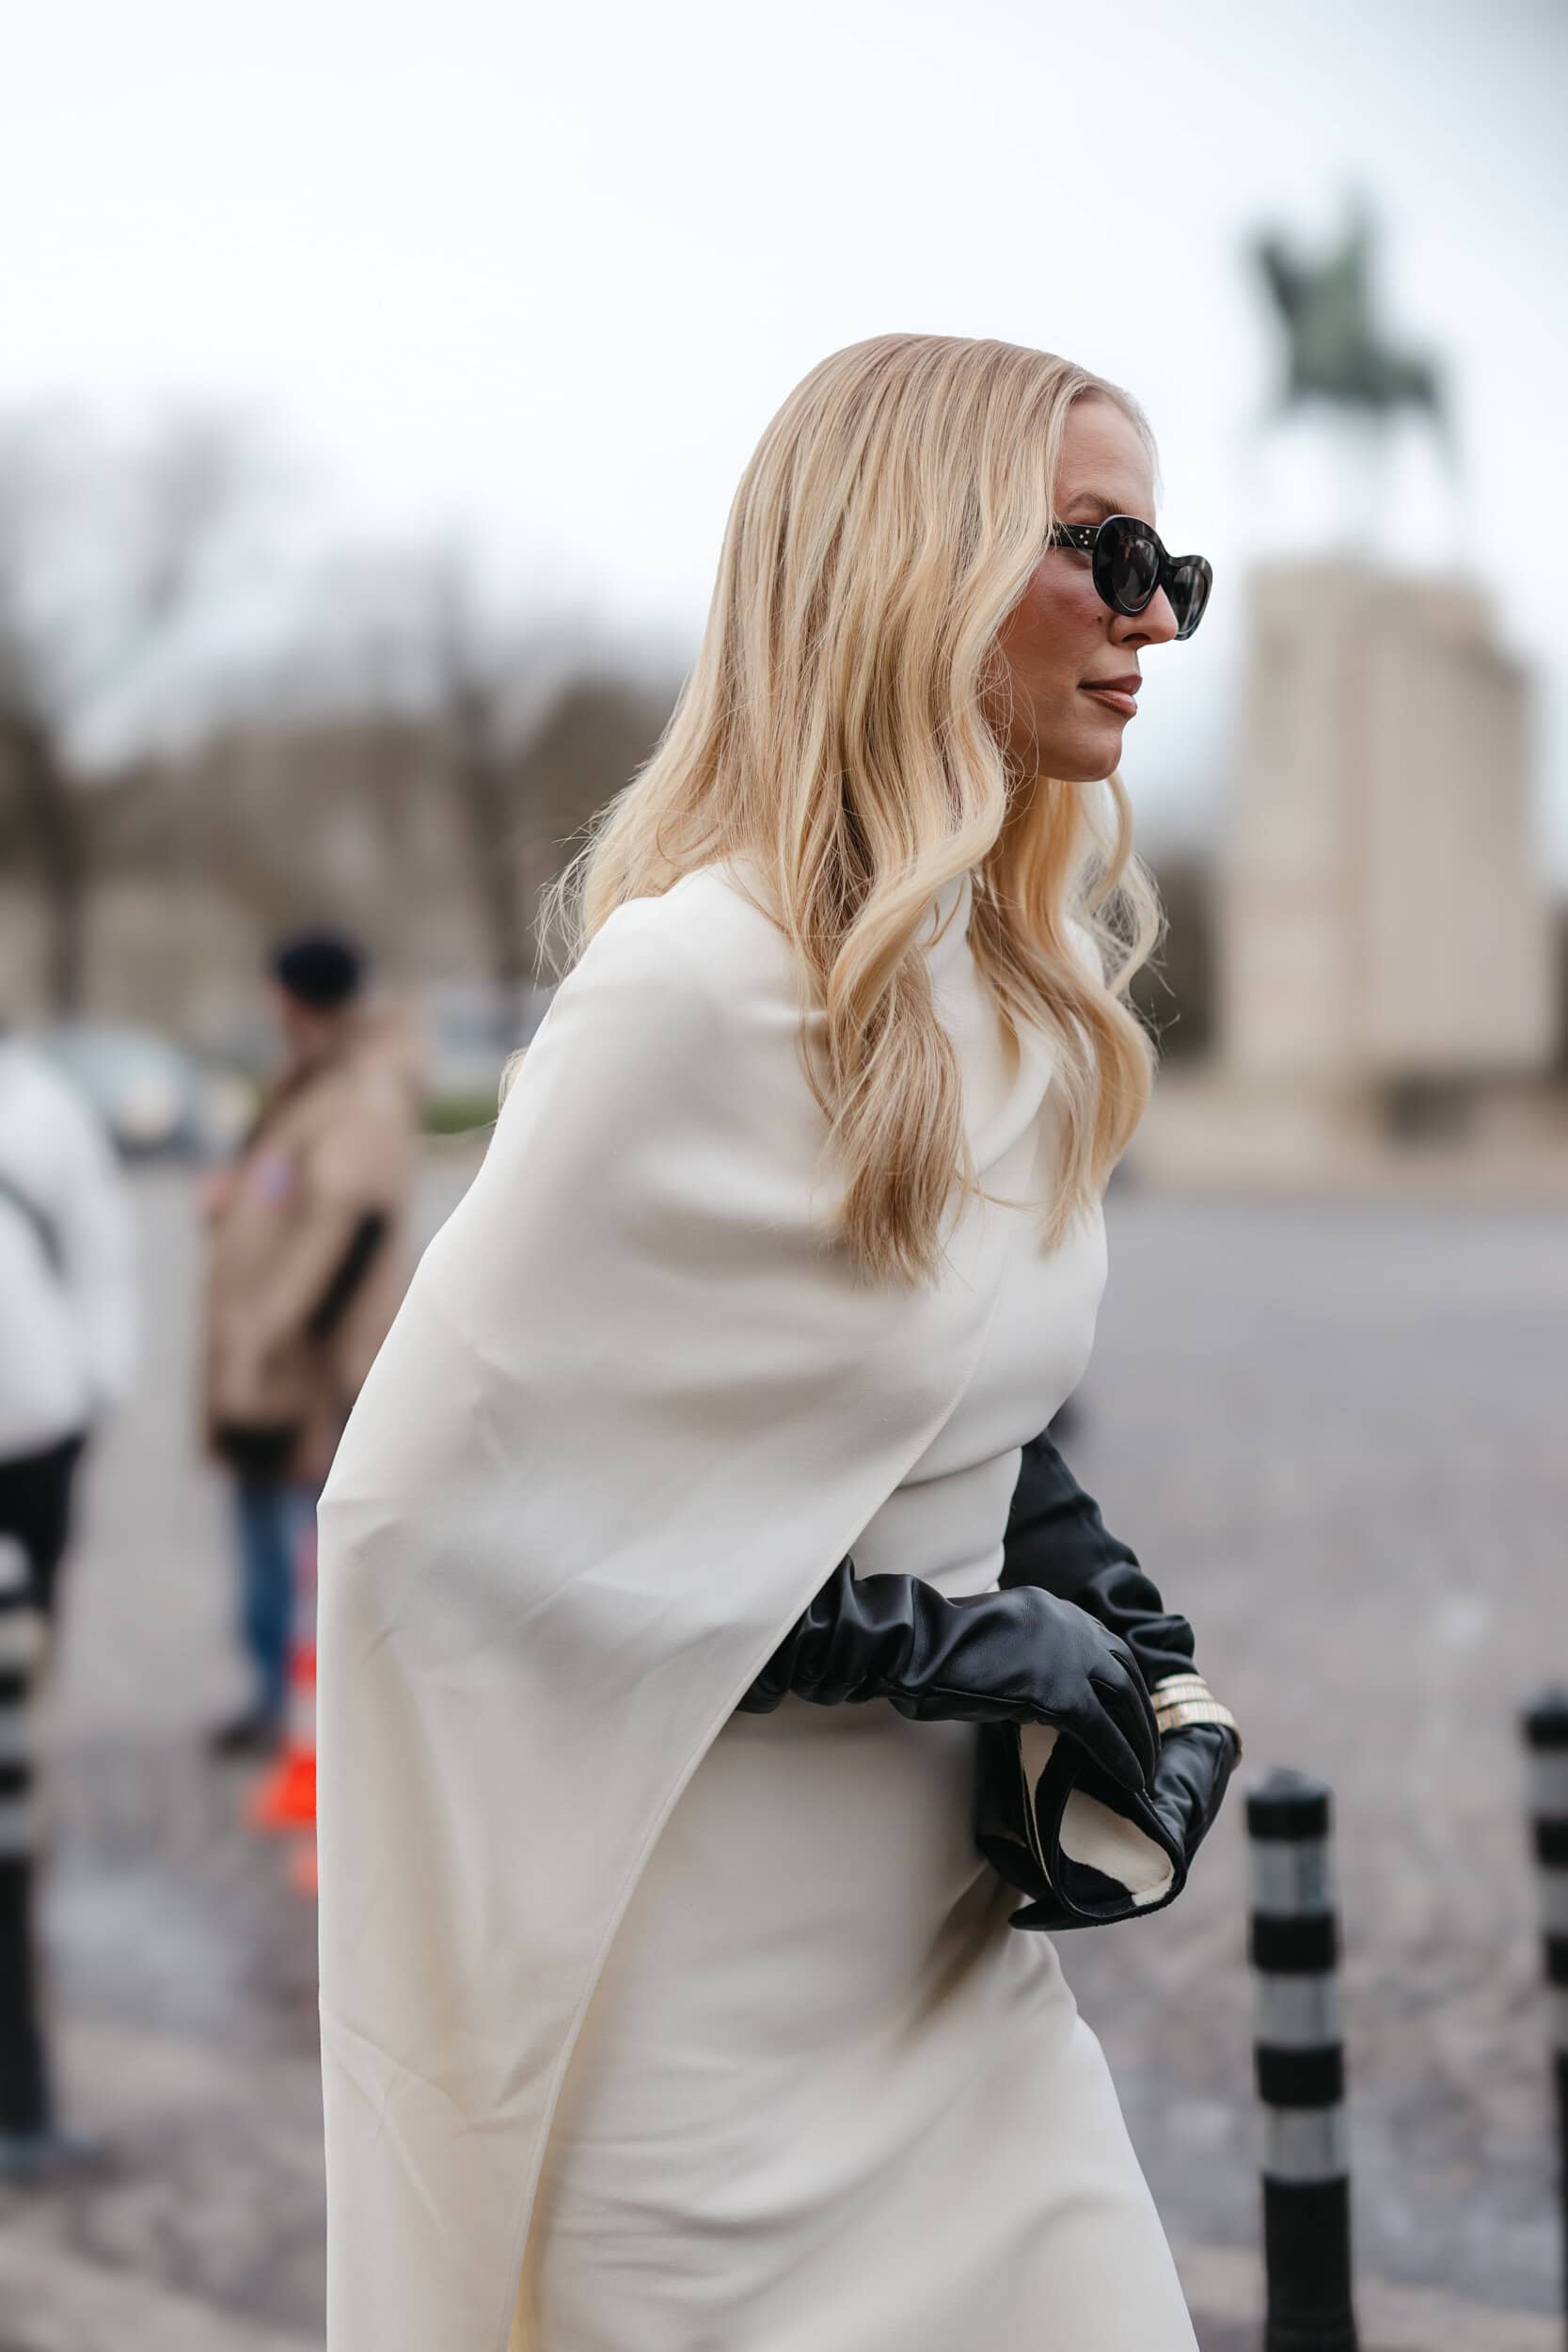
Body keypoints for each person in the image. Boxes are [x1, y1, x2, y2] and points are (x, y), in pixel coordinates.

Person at [315, 334, 1233, 2350]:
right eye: (1095, 549)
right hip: (702, 2056)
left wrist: (1113, 1624)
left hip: (955, 1983)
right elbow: (437, 1516)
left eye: (1171, 560)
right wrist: (937, 1640)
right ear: (909, 562)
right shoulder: (692, 986)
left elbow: (935, 1402)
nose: (1148, 609)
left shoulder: (1017, 991)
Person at [200, 931, 420, 1759]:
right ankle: (278, 1703)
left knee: (307, 1546)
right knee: (267, 1529)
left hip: (310, 1370)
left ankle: (316, 1719)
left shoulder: (356, 1091)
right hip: (279, 1364)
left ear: (299, 998)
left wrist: (280, 1338)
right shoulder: (310, 1081)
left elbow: (347, 1235)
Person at [0, 1022, 135, 1640]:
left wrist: (101, 1377)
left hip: (36, 1396)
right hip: (39, 1389)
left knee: (37, 1573)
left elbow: (100, 1251)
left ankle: (20, 1710)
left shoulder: (47, 1109)